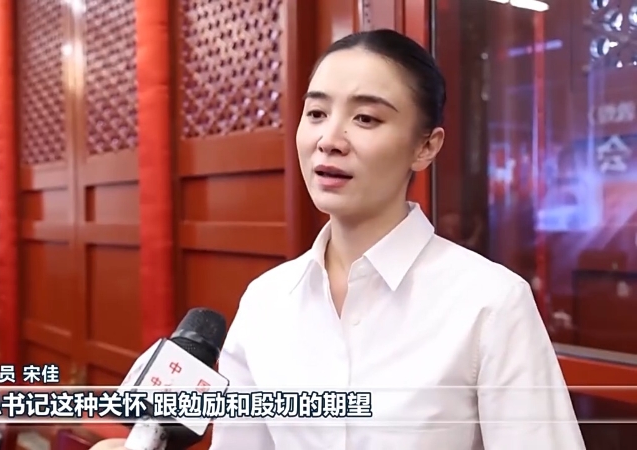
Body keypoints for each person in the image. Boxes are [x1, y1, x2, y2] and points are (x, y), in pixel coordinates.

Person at [92, 29, 584, 450]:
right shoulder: (267, 301)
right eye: (316, 113)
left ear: (425, 146)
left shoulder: (490, 303)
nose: (329, 139)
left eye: (366, 118)